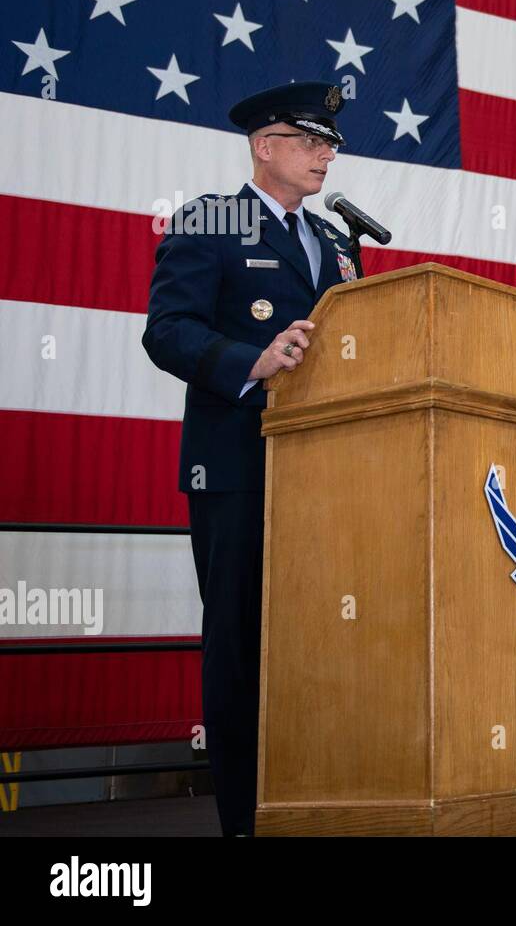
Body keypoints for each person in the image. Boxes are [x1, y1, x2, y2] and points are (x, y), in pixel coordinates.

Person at [142, 81, 360, 835]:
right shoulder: (211, 220)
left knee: (321, 641)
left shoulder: (332, 242)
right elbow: (165, 331)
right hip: (236, 467)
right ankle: (246, 818)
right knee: (240, 644)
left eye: (329, 142)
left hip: (322, 476)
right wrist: (253, 359)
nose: (325, 152)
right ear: (264, 146)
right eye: (310, 140)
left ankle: (314, 804)